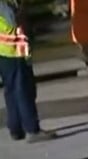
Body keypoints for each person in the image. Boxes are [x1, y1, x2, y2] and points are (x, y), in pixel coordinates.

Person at [0, 0, 54, 142]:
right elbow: (13, 20)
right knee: (23, 89)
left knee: (11, 90)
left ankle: (16, 128)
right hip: (14, 50)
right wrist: (22, 9)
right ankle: (32, 129)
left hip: (5, 50)